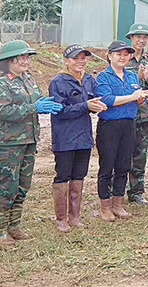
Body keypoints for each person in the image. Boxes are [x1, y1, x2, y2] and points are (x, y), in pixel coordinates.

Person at [0, 40, 59, 245]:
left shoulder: (28, 79)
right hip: (8, 144)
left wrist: (44, 105)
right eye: (21, 57)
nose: (25, 61)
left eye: (27, 57)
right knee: (6, 186)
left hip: (29, 140)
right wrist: (33, 107)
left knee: (22, 185)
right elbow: (2, 111)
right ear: (8, 60)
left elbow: (36, 101)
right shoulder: (1, 84)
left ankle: (14, 226)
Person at [48, 45, 107, 231]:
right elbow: (59, 110)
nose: (80, 62)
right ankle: (61, 218)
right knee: (63, 175)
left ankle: (75, 216)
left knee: (79, 175)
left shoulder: (89, 79)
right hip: (64, 137)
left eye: (83, 58)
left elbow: (96, 100)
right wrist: (85, 106)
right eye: (75, 58)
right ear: (66, 61)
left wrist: (99, 106)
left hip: (83, 136)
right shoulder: (58, 82)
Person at [95, 40, 148, 221]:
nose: (122, 57)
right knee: (107, 166)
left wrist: (138, 98)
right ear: (109, 55)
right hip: (109, 126)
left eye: (126, 54)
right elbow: (107, 99)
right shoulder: (103, 77)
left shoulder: (132, 76)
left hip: (128, 125)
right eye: (118, 54)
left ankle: (118, 204)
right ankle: (105, 207)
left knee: (124, 165)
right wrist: (131, 97)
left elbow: (135, 98)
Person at [123, 23, 148, 205]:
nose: (141, 40)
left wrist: (147, 79)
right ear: (130, 38)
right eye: (137, 36)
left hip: (145, 114)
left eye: (144, 37)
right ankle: (115, 191)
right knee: (121, 153)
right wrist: (137, 80)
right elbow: (117, 83)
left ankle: (136, 192)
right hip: (124, 112)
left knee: (140, 154)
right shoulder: (123, 57)